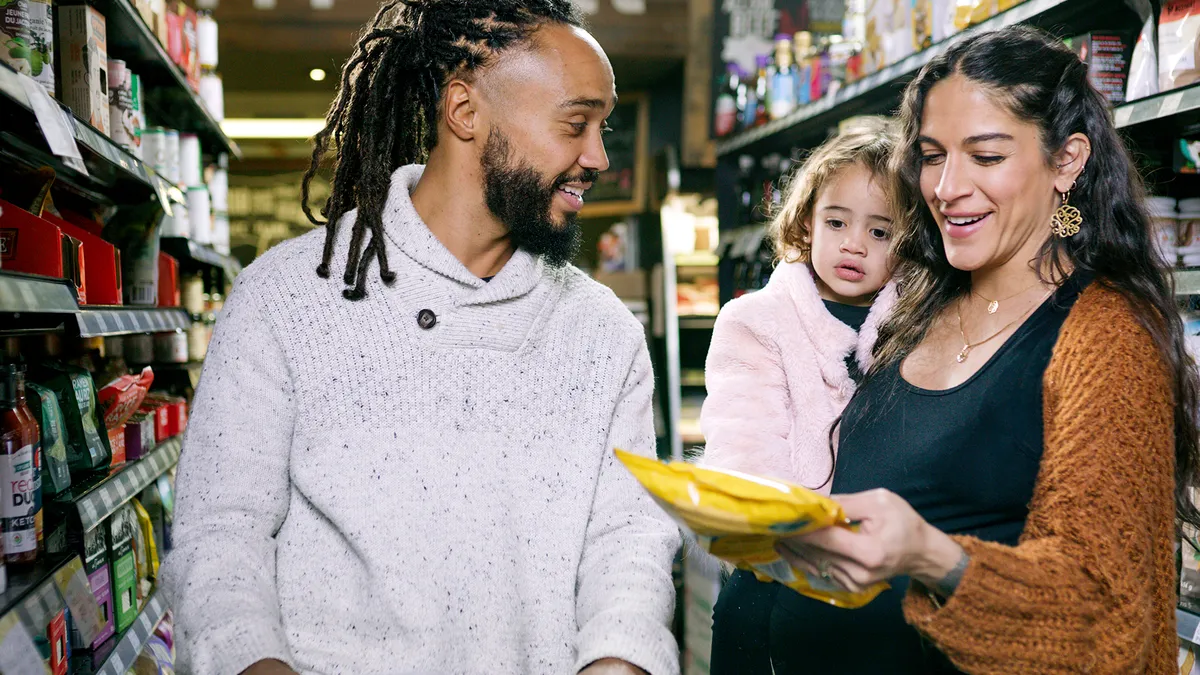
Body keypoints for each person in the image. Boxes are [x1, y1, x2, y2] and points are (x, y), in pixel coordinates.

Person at [159, 2, 681, 674]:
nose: (598, 157)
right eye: (575, 125)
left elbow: (629, 542)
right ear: (465, 112)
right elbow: (219, 539)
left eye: (602, 127)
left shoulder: (601, 332)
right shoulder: (285, 298)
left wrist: (619, 658)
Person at [766, 24, 1198, 674]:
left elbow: (1109, 617)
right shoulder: (916, 301)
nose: (946, 186)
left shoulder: (1106, 334)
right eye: (932, 154)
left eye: (986, 156)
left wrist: (932, 555)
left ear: (1067, 161)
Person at [698, 119, 900, 672]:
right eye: (837, 221)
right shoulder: (758, 321)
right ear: (807, 221)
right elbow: (744, 440)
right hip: (772, 569)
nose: (854, 243)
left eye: (880, 232)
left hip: (878, 573)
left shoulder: (916, 327)